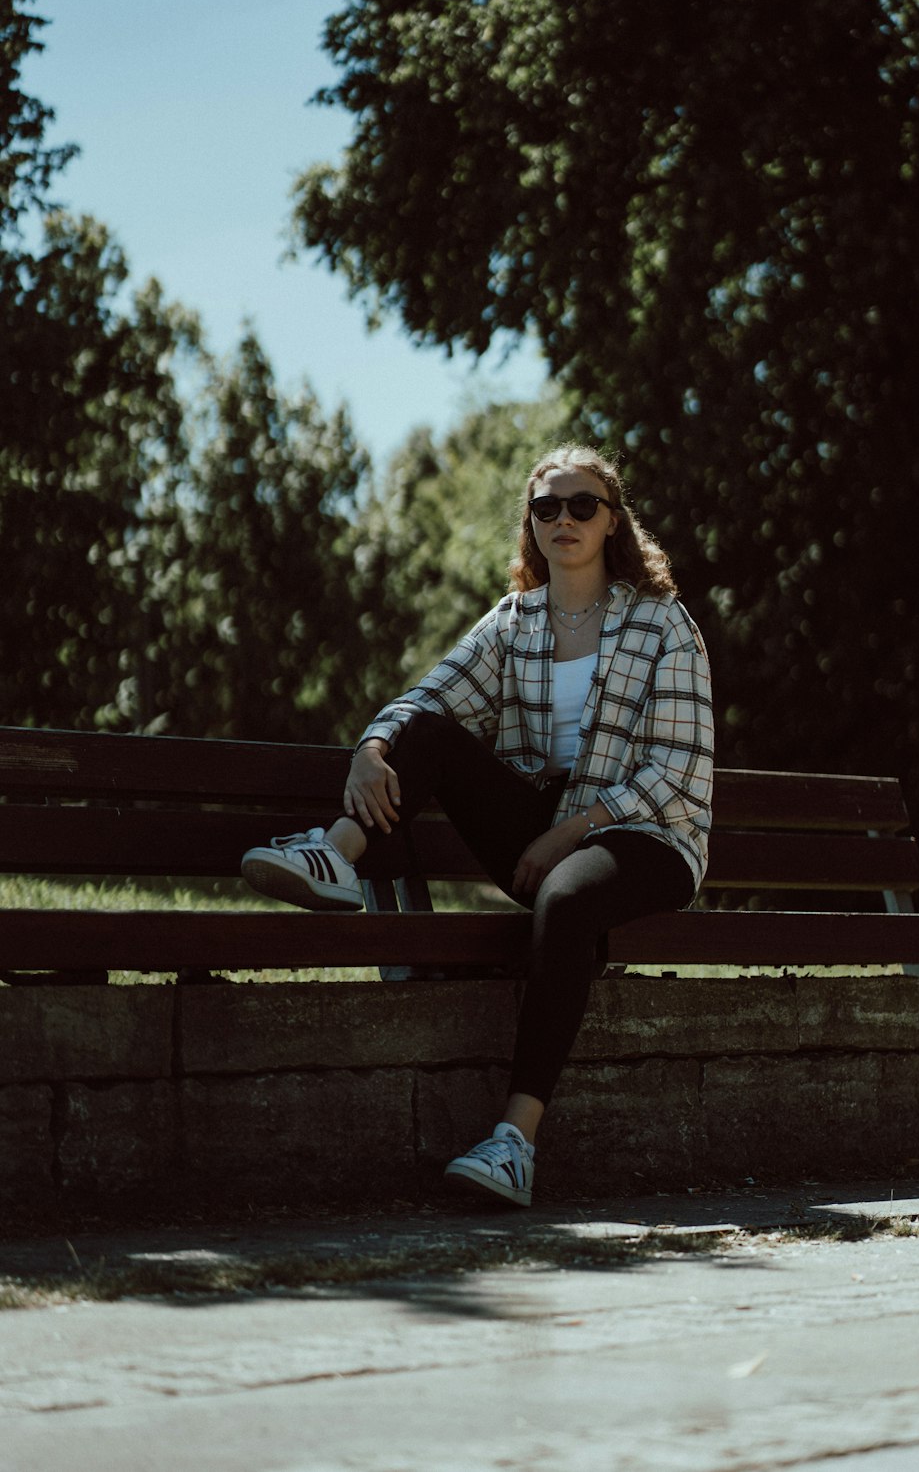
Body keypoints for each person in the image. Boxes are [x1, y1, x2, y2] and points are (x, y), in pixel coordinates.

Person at [241, 445, 714, 1208]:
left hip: (646, 836)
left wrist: (571, 834)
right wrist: (372, 747)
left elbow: (673, 771)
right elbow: (433, 696)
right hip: (547, 826)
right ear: (531, 524)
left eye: (582, 505)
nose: (564, 518)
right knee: (424, 733)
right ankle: (335, 857)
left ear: (612, 522)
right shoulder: (514, 622)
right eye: (546, 507)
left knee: (566, 899)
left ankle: (513, 1143)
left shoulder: (662, 624)